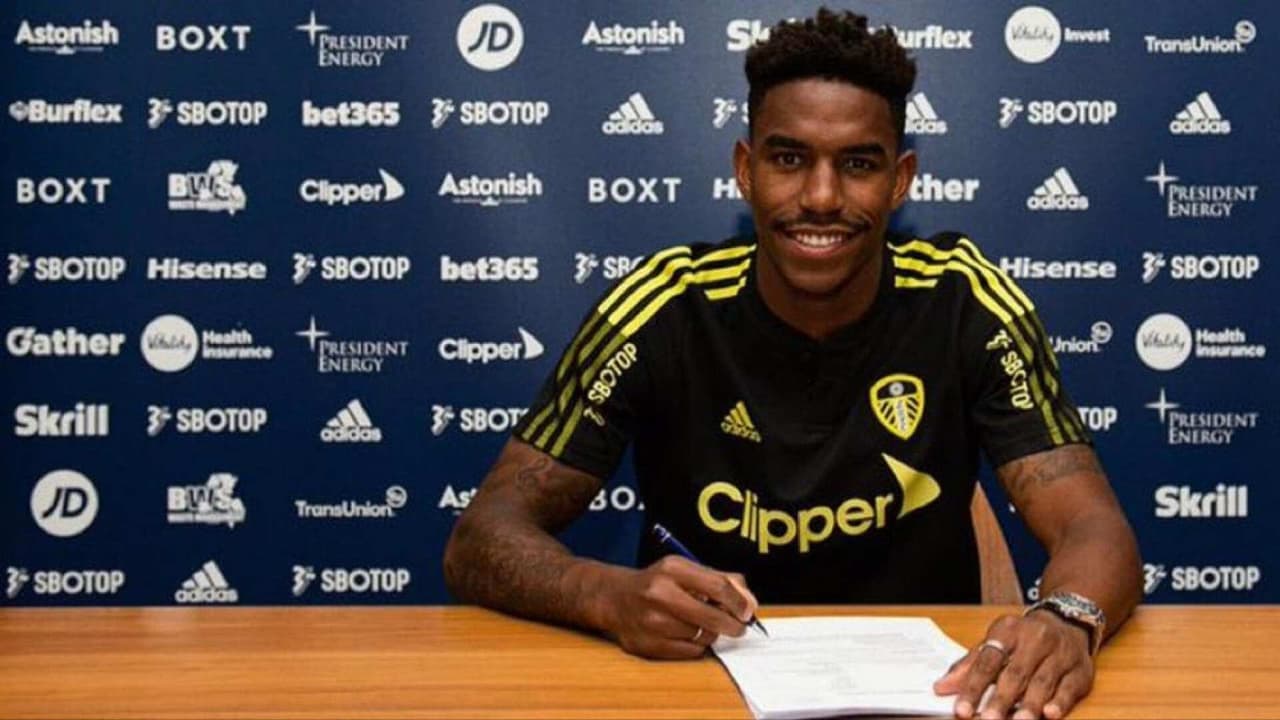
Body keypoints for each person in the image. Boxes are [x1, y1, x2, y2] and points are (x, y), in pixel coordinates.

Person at [444, 8, 1141, 719]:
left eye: (858, 164)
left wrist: (1067, 616)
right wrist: (606, 594)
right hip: (697, 690)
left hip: (928, 699)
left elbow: (1093, 526)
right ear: (745, 170)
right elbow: (482, 536)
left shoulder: (964, 300)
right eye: (788, 159)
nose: (821, 198)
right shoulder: (662, 307)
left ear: (900, 180)